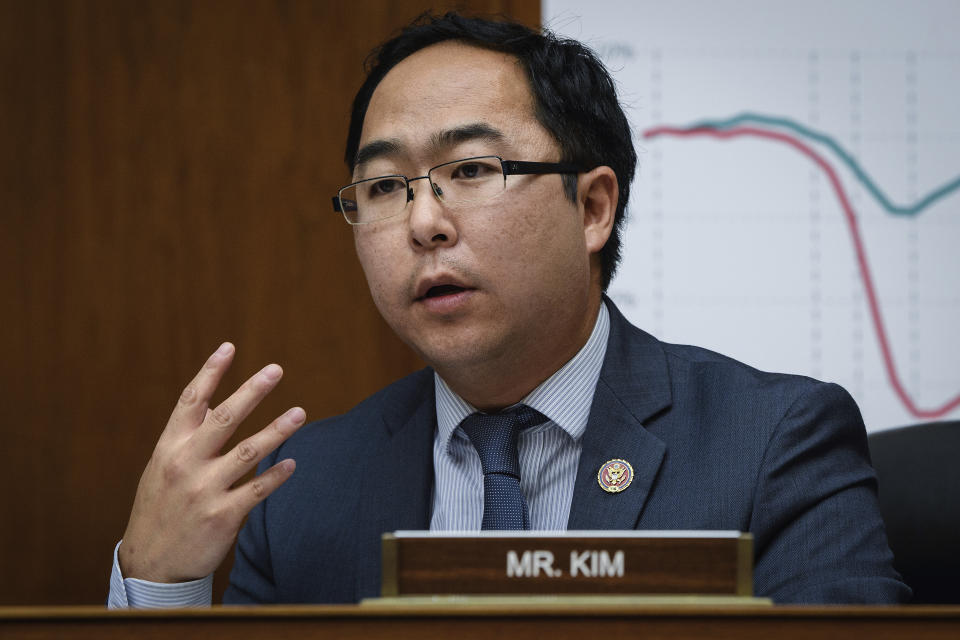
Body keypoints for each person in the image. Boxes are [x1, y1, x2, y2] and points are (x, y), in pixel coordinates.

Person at [108, 12, 910, 607]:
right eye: (385, 187)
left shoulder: (770, 443)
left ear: (594, 208)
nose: (424, 222)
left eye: (471, 168)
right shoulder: (304, 488)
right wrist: (158, 584)